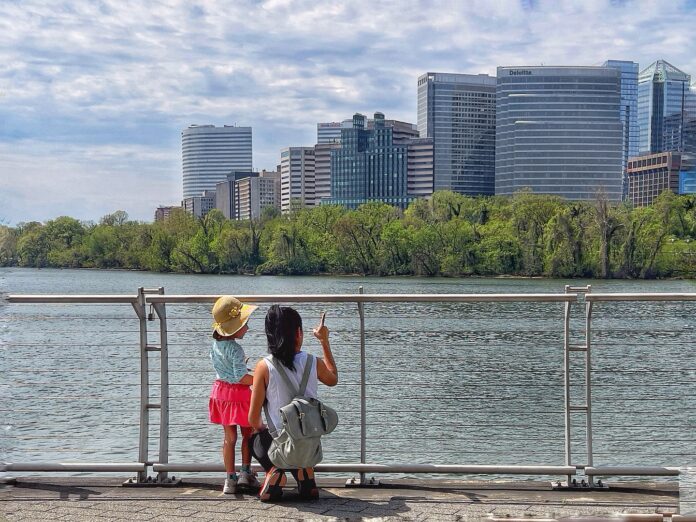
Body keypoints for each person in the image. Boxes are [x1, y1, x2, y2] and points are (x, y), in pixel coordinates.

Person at [248, 305, 338, 502]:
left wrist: (264, 430)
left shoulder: (264, 366)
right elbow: (332, 379)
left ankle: (275, 472)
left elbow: (253, 418)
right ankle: (305, 476)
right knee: (301, 434)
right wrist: (324, 341)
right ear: (299, 333)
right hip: (310, 446)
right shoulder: (312, 362)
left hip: (281, 448)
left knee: (253, 438)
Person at [208, 295, 260, 494]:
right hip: (239, 395)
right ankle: (245, 473)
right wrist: (261, 377)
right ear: (234, 328)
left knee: (229, 438)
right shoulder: (236, 349)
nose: (247, 327)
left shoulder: (215, 345)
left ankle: (230, 480)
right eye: (245, 323)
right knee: (247, 434)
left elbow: (226, 371)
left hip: (220, 392)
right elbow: (241, 378)